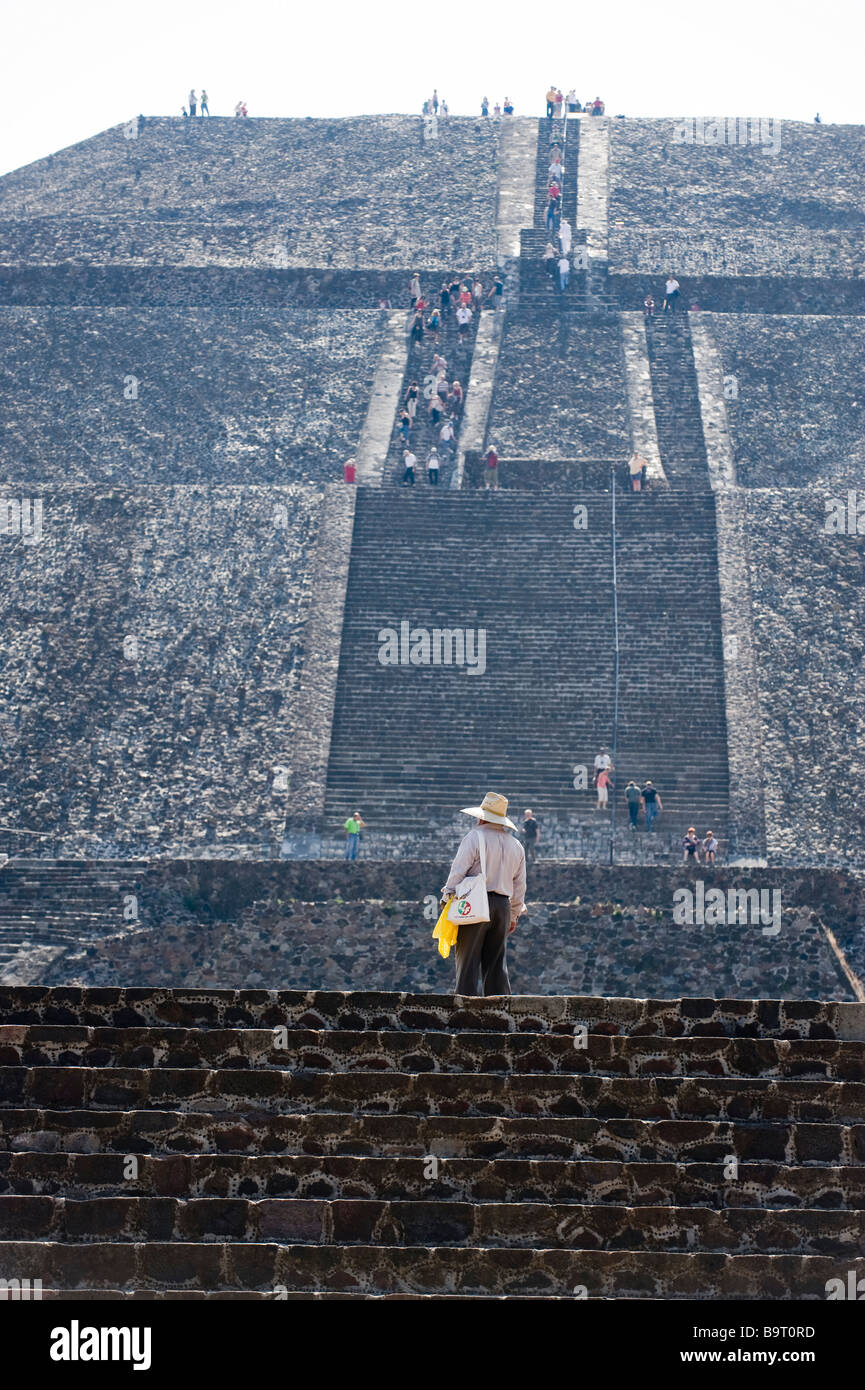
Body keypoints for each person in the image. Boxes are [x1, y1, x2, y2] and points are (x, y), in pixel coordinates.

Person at [442, 792, 527, 997]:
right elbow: (519, 886)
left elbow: (458, 871)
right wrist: (514, 915)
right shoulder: (516, 845)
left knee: (468, 959)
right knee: (497, 963)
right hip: (503, 907)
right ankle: (500, 1010)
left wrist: (447, 897)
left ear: (481, 817)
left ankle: (465, 1008)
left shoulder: (474, 836)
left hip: (475, 903)